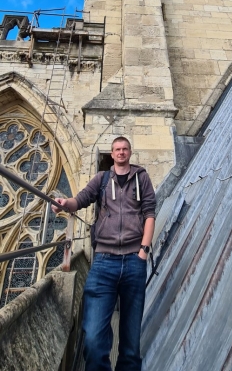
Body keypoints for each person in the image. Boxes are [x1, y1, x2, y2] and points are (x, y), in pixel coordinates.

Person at [52, 136, 156, 371]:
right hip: (104, 262)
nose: (121, 152)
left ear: (130, 152)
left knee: (131, 342)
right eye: (117, 149)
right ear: (112, 154)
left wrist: (143, 251)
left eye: (125, 149)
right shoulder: (101, 179)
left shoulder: (142, 178)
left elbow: (150, 213)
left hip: (133, 261)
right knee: (93, 340)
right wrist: (63, 203)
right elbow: (79, 200)